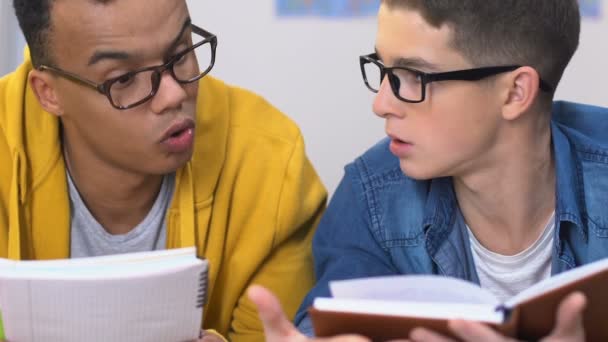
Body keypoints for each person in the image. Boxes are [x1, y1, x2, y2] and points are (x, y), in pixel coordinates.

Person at [249, 0, 608, 341]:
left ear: (515, 92)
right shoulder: (371, 195)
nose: (381, 104)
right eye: (384, 69)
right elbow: (328, 326)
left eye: (414, 76)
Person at [0, 0, 327, 341]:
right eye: (124, 78)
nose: (173, 94)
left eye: (181, 53)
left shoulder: (270, 168)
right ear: (49, 93)